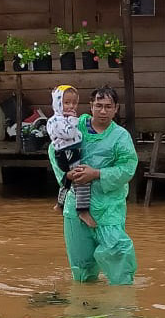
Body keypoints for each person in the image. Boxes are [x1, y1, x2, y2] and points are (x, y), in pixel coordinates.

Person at [47, 86, 139, 285]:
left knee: (118, 252)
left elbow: (128, 167)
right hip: (75, 206)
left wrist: (97, 174)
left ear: (116, 109)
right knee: (82, 266)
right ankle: (86, 300)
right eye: (98, 106)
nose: (103, 111)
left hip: (108, 208)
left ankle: (123, 299)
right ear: (91, 106)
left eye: (108, 106)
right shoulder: (75, 125)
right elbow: (54, 150)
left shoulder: (121, 136)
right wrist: (67, 175)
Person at [47, 85, 97, 228]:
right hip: (66, 153)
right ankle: (82, 210)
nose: (71, 106)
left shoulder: (63, 119)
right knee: (82, 178)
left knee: (69, 180)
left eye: (74, 103)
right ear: (58, 103)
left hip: (70, 151)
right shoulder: (56, 121)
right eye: (67, 103)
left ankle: (59, 204)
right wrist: (74, 120)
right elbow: (69, 133)